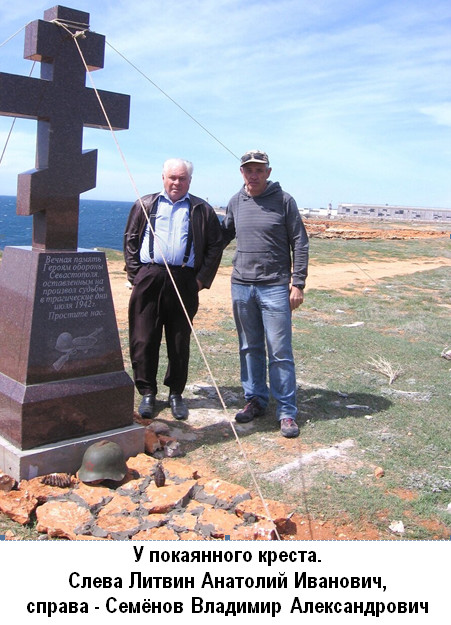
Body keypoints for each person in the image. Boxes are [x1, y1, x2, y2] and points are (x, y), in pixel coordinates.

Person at [124, 158, 223, 420]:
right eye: (172, 178)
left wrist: (201, 280)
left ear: (190, 180)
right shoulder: (145, 204)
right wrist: (136, 275)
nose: (176, 183)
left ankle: (176, 393)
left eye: (182, 178)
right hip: (150, 277)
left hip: (184, 279)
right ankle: (147, 392)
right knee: (143, 338)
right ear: (163, 178)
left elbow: (215, 246)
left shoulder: (201, 208)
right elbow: (131, 239)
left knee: (179, 341)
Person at [222, 150, 309, 438]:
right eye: (249, 170)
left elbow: (300, 241)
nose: (254, 175)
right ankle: (255, 400)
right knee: (249, 347)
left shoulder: (284, 201)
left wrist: (298, 283)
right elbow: (221, 237)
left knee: (280, 352)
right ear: (242, 172)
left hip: (274, 286)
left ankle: (286, 412)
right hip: (241, 286)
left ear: (268, 172)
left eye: (259, 170)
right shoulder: (235, 202)